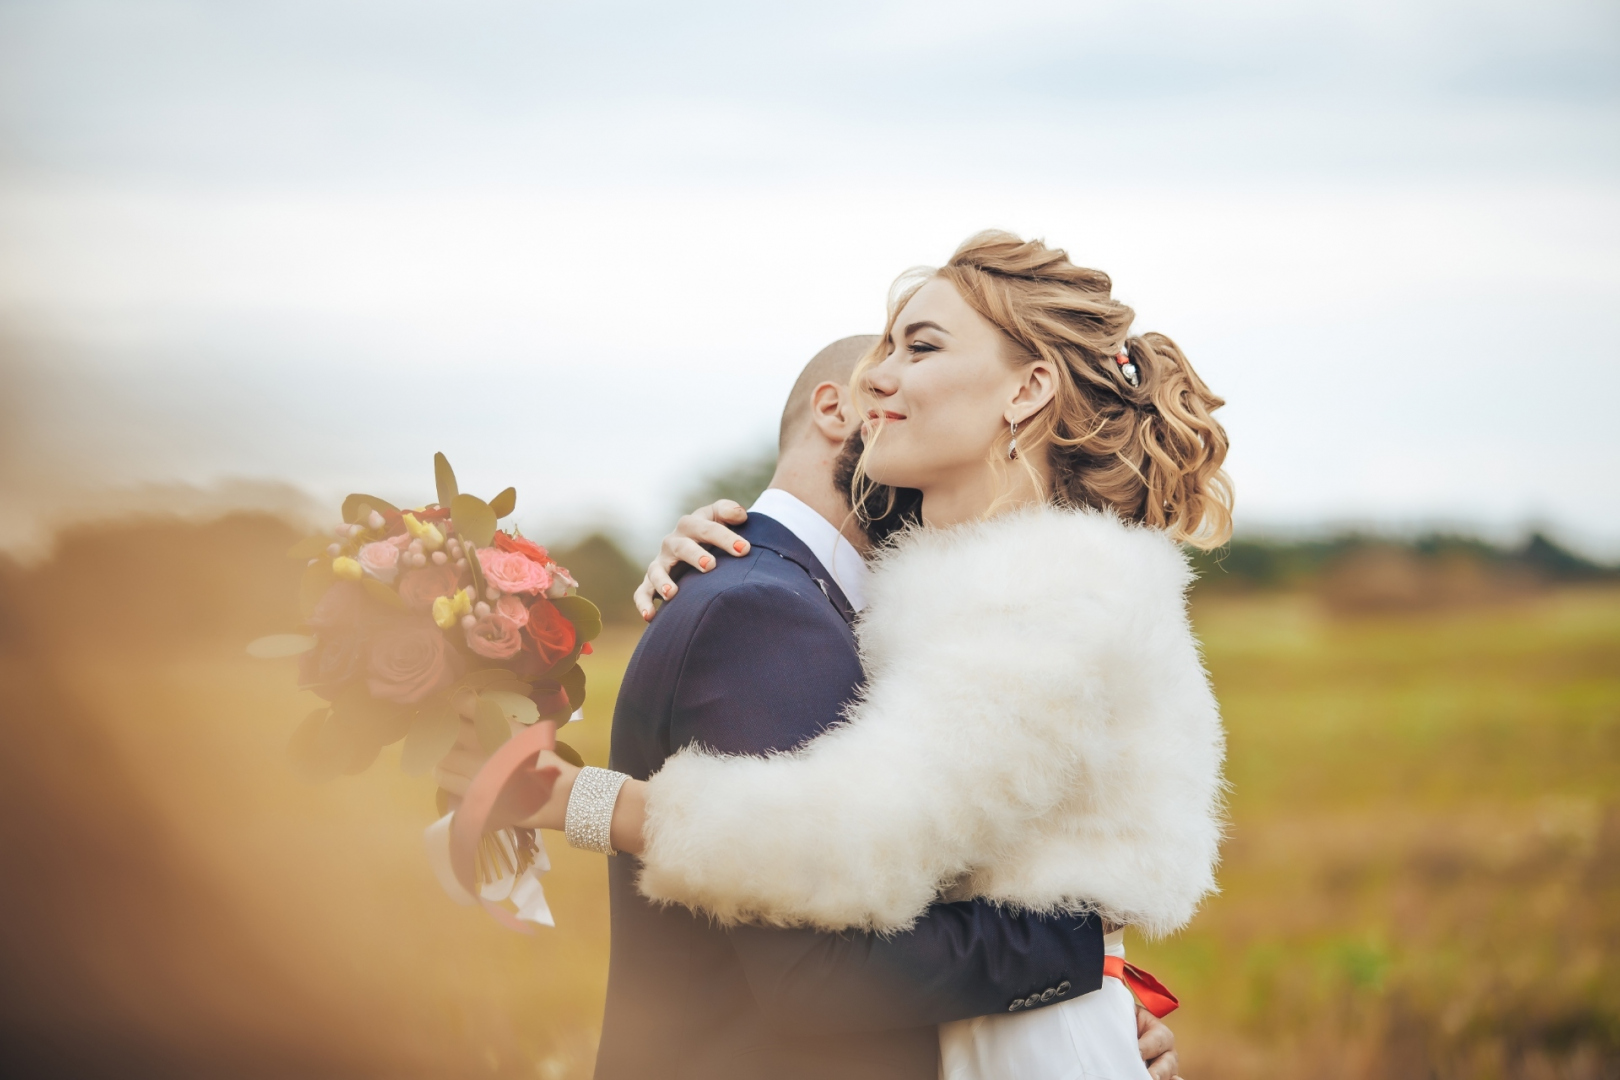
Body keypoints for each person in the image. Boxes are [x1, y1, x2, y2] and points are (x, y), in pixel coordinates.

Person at [441, 237, 1196, 1078]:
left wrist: (576, 798)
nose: (881, 374)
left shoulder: (1055, 588)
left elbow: (847, 840)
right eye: (886, 346)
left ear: (1026, 389)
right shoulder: (915, 591)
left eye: (921, 346)